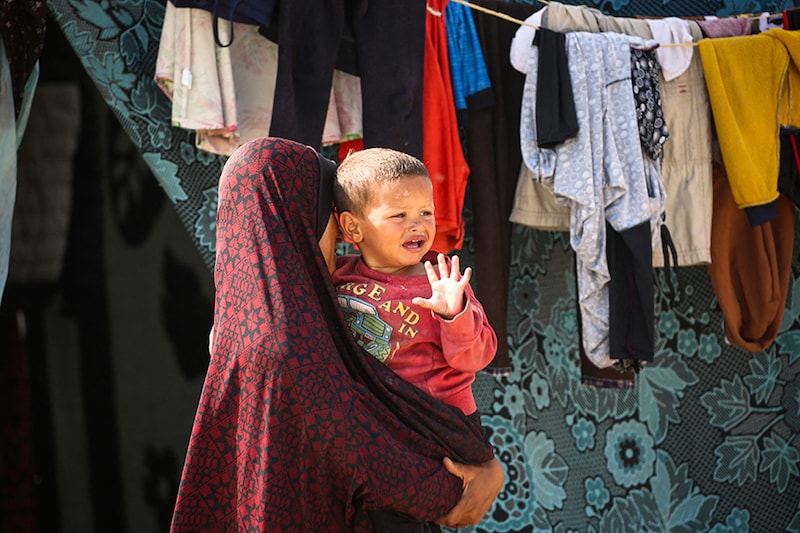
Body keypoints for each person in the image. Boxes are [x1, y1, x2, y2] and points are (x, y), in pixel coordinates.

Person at [170, 137, 504, 532]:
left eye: (425, 212)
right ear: (298, 221)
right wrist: (472, 485)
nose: (336, 239)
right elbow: (359, 452)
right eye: (328, 219)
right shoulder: (285, 344)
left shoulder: (261, 324)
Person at [332, 147, 498, 532]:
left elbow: (476, 357)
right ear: (353, 228)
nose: (418, 225)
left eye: (426, 212)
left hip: (438, 427)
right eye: (399, 215)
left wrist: (453, 315)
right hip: (380, 426)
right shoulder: (340, 276)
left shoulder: (441, 281)